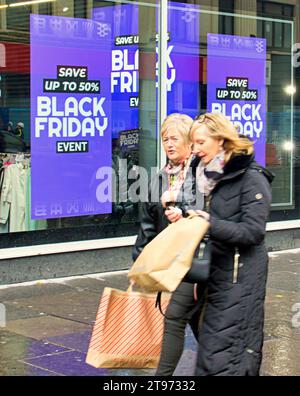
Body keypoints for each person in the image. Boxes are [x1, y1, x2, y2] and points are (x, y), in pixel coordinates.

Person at [188, 112, 274, 376]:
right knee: (213, 350)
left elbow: (253, 231)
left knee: (229, 353)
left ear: (221, 140)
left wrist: (210, 224)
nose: (195, 149)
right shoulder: (208, 178)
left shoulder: (251, 177)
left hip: (241, 277)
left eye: (201, 142)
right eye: (193, 143)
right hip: (215, 274)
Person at [132, 113, 203, 376]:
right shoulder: (159, 178)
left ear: (189, 141)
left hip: (199, 261)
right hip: (171, 263)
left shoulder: (201, 173)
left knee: (180, 319)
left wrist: (184, 209)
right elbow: (147, 224)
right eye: (165, 139)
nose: (169, 144)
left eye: (174, 138)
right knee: (190, 321)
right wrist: (140, 262)